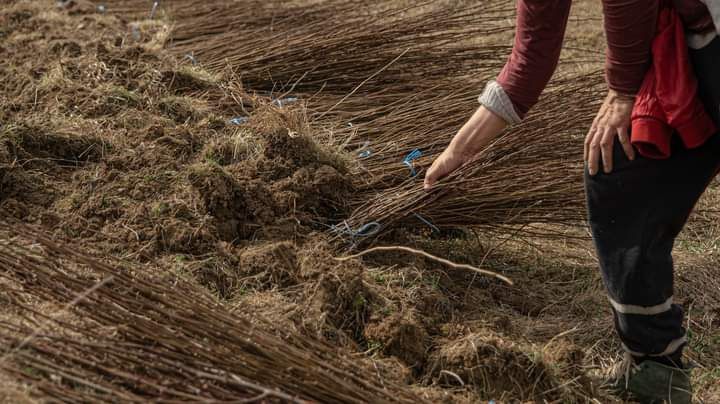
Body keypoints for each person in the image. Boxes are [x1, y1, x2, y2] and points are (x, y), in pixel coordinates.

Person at [424, 1, 720, 403]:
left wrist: (622, 90)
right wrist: (459, 152)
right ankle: (655, 369)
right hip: (691, 47)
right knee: (619, 170)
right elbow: (531, 55)